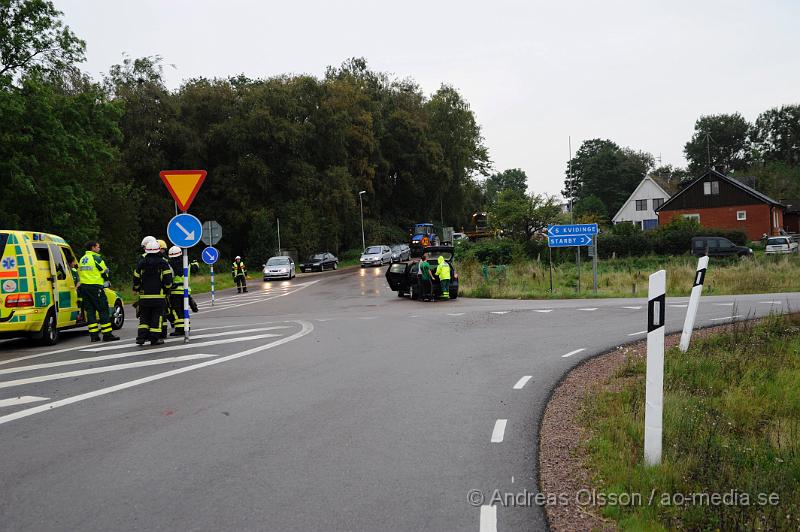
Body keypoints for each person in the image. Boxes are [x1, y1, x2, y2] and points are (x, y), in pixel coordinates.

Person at [77, 241, 120, 342]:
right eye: (98, 247)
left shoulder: (82, 259)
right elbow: (104, 271)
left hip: (84, 288)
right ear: (93, 248)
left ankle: (94, 336)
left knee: (90, 311)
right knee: (103, 310)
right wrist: (107, 279)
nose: (99, 249)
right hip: (95, 287)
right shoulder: (96, 258)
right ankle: (107, 334)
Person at [133, 240, 173, 345]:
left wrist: (136, 288)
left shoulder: (142, 262)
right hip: (158, 296)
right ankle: (154, 338)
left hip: (144, 296)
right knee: (157, 317)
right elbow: (168, 279)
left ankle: (141, 338)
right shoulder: (163, 262)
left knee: (144, 317)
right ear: (158, 250)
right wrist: (167, 288)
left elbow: (136, 277)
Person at [167, 245, 191, 336]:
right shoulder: (187, 262)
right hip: (186, 290)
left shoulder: (170, 265)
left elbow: (169, 278)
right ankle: (187, 327)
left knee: (176, 310)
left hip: (175, 291)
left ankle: (180, 329)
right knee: (185, 310)